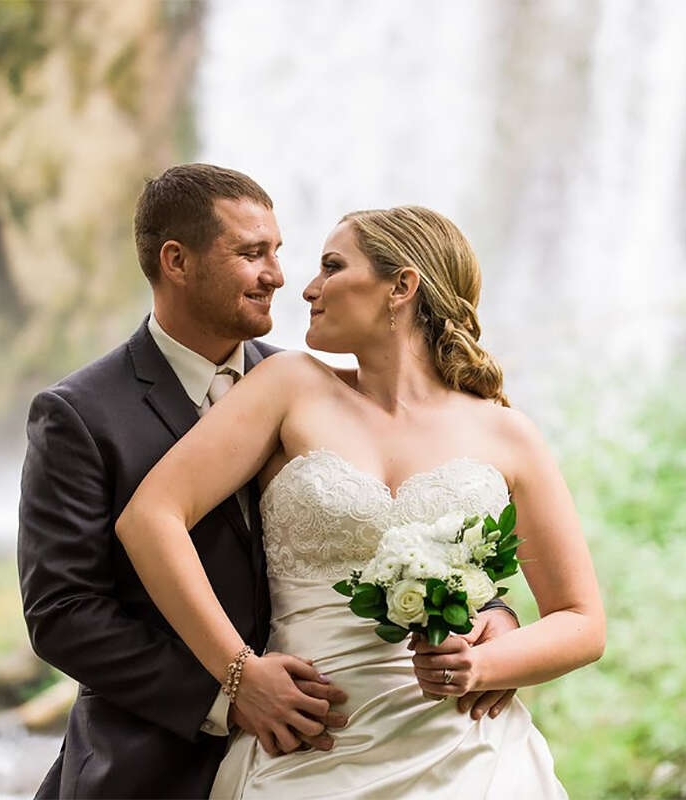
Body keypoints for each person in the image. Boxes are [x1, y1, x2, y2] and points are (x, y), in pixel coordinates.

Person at [16, 161, 518, 799]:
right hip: (155, 760)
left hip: (348, 741)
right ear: (177, 261)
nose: (280, 277)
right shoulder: (80, 413)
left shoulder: (314, 387)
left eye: (279, 252)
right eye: (253, 254)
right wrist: (230, 689)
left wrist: (488, 611)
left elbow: (394, 514)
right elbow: (63, 613)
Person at [116, 204, 605, 798]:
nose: (307, 287)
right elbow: (150, 518)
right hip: (309, 744)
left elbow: (581, 620)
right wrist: (238, 673)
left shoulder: (506, 433)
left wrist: (486, 663)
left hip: (468, 754)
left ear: (401, 286)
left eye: (331, 266)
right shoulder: (288, 386)